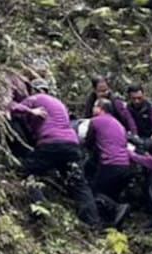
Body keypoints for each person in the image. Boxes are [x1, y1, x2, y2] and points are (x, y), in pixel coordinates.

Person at [9, 79, 101, 227]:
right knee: (79, 184)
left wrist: (29, 111)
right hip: (71, 146)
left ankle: (43, 212)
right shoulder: (59, 104)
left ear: (34, 90)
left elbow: (12, 107)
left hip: (51, 144)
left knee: (25, 171)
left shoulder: (36, 98)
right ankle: (93, 223)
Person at [84, 98, 133, 227]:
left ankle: (116, 209)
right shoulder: (119, 124)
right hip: (125, 165)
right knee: (110, 195)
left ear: (100, 108)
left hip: (110, 164)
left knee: (95, 191)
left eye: (95, 106)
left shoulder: (96, 121)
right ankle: (112, 224)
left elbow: (89, 142)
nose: (92, 109)